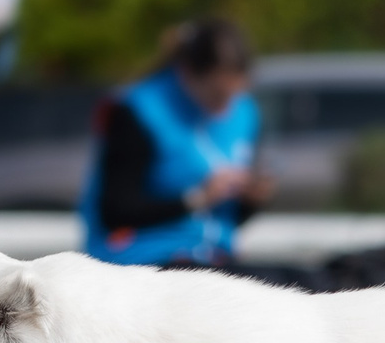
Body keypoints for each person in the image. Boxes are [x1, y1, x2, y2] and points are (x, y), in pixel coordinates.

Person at [80, 18, 266, 265]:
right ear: (187, 73)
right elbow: (114, 211)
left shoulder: (244, 112)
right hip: (142, 258)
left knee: (310, 280)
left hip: (213, 256)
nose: (226, 108)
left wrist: (251, 199)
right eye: (217, 94)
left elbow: (224, 218)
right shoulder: (138, 110)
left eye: (235, 94)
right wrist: (197, 198)